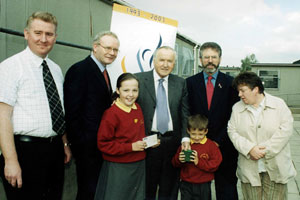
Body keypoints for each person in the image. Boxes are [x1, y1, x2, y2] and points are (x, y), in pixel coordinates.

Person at [0, 11, 71, 200]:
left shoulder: (56, 70)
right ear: (26, 34)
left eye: (49, 34)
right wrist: (11, 160)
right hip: (25, 153)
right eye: (38, 33)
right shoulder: (10, 67)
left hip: (54, 151)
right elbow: (2, 116)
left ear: (55, 37)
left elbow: (58, 109)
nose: (43, 39)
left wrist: (63, 143)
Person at [63, 31, 120, 200]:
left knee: (95, 191)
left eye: (115, 50)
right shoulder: (79, 70)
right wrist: (80, 145)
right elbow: (72, 111)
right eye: (108, 48)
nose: (112, 53)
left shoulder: (103, 70)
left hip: (99, 146)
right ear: (95, 47)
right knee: (87, 192)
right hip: (87, 148)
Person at [228, 71, 296, 200]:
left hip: (276, 167)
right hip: (249, 168)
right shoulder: (237, 108)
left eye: (243, 90)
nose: (239, 94)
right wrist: (250, 149)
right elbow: (232, 131)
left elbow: (285, 130)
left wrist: (264, 150)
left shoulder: (279, 104)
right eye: (238, 91)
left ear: (256, 89)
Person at [135, 46, 190, 200]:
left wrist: (185, 138)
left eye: (170, 61)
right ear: (154, 61)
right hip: (147, 143)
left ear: (174, 64)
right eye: (162, 60)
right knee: (147, 189)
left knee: (170, 190)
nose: (165, 64)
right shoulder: (138, 79)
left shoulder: (180, 83)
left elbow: (185, 112)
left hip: (173, 144)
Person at [186, 42, 239, 200]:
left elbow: (234, 116)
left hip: (224, 146)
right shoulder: (190, 83)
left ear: (220, 59)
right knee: (199, 191)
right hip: (197, 145)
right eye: (206, 57)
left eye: (214, 57)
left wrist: (217, 141)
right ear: (200, 59)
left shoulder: (231, 83)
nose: (210, 61)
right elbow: (187, 111)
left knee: (227, 189)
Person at [94, 73, 147, 200]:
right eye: (126, 90)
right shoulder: (111, 114)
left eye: (135, 90)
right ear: (118, 90)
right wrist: (131, 147)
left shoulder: (137, 108)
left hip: (138, 164)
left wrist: (148, 142)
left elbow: (135, 135)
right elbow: (103, 144)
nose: (131, 94)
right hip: (119, 166)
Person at [172, 114, 222, 200]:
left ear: (206, 131)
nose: (197, 137)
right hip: (186, 183)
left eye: (200, 134)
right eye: (193, 134)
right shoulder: (185, 145)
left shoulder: (211, 145)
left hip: (204, 184)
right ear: (188, 131)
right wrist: (179, 160)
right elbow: (174, 163)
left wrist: (198, 162)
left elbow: (215, 164)